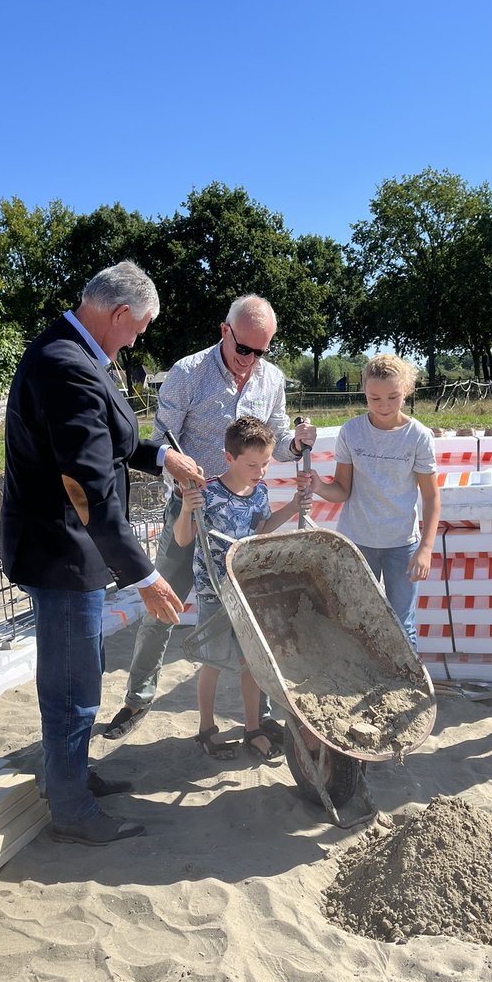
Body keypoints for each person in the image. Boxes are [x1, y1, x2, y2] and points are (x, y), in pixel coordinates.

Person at [0, 262, 203, 846]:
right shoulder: (66, 365)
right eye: (137, 327)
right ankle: (69, 809)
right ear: (117, 314)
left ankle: (71, 773)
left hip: (71, 546)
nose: (138, 338)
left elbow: (106, 441)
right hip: (62, 550)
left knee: (79, 667)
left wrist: (159, 457)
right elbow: (85, 485)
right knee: (72, 687)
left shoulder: (75, 353)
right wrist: (142, 574)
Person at [103, 294, 316, 742]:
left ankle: (267, 712)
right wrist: (181, 472)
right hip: (193, 508)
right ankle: (137, 698)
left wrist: (295, 445)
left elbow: (275, 442)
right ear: (225, 332)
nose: (251, 361)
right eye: (245, 350)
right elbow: (160, 439)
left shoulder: (270, 380)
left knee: (259, 614)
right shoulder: (187, 373)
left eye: (262, 351)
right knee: (163, 602)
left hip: (243, 515)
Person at [174, 417, 307, 759]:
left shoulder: (260, 490)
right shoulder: (207, 492)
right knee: (214, 661)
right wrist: (187, 508)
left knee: (252, 661)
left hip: (245, 588)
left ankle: (252, 729)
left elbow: (261, 529)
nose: (260, 471)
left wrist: (293, 507)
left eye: (265, 464)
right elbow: (182, 538)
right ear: (229, 458)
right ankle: (206, 729)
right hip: (213, 592)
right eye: (252, 464)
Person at [305, 354, 440, 648]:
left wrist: (426, 548)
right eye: (374, 398)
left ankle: (406, 692)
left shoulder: (418, 436)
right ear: (364, 392)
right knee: (355, 619)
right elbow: (342, 489)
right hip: (357, 542)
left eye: (393, 397)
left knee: (402, 624)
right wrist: (318, 486)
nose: (384, 406)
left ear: (406, 391)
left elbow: (430, 497)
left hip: (402, 545)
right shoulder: (351, 432)